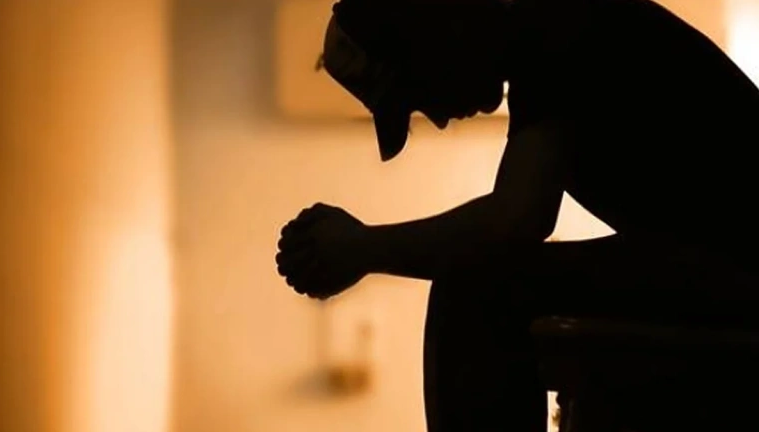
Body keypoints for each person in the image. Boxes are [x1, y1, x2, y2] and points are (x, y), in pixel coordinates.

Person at [275, 0, 759, 430]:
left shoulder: (558, 25)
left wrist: (360, 249)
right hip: (726, 265)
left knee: (478, 282)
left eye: (419, 94)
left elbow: (515, 221)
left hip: (741, 273)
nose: (438, 119)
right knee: (482, 276)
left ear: (431, 37)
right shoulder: (552, 30)